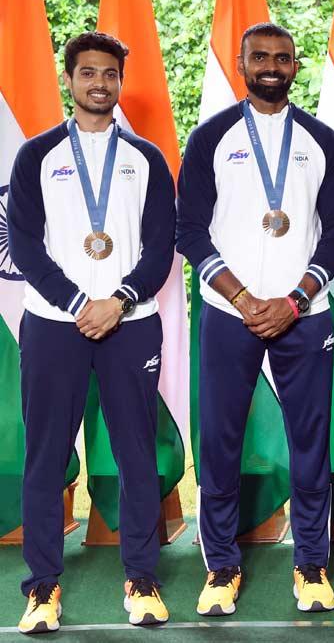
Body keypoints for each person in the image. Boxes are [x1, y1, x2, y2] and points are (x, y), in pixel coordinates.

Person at [176, 22, 334, 616]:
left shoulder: (322, 138)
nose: (271, 66)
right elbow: (190, 231)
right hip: (230, 312)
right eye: (260, 57)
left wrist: (294, 300)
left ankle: (311, 565)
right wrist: (246, 298)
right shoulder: (210, 138)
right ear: (241, 62)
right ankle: (222, 567)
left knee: (311, 442)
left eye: (282, 57)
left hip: (306, 313)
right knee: (221, 441)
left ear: (296, 66)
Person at [8, 32, 175, 632]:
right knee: (46, 456)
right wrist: (81, 302)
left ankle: (142, 578)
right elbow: (24, 246)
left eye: (109, 73)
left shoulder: (147, 158)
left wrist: (120, 301)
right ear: (69, 79)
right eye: (87, 73)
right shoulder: (36, 156)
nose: (99, 83)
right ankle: (42, 587)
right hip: (55, 325)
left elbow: (161, 245)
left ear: (119, 82)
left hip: (131, 325)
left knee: (135, 453)